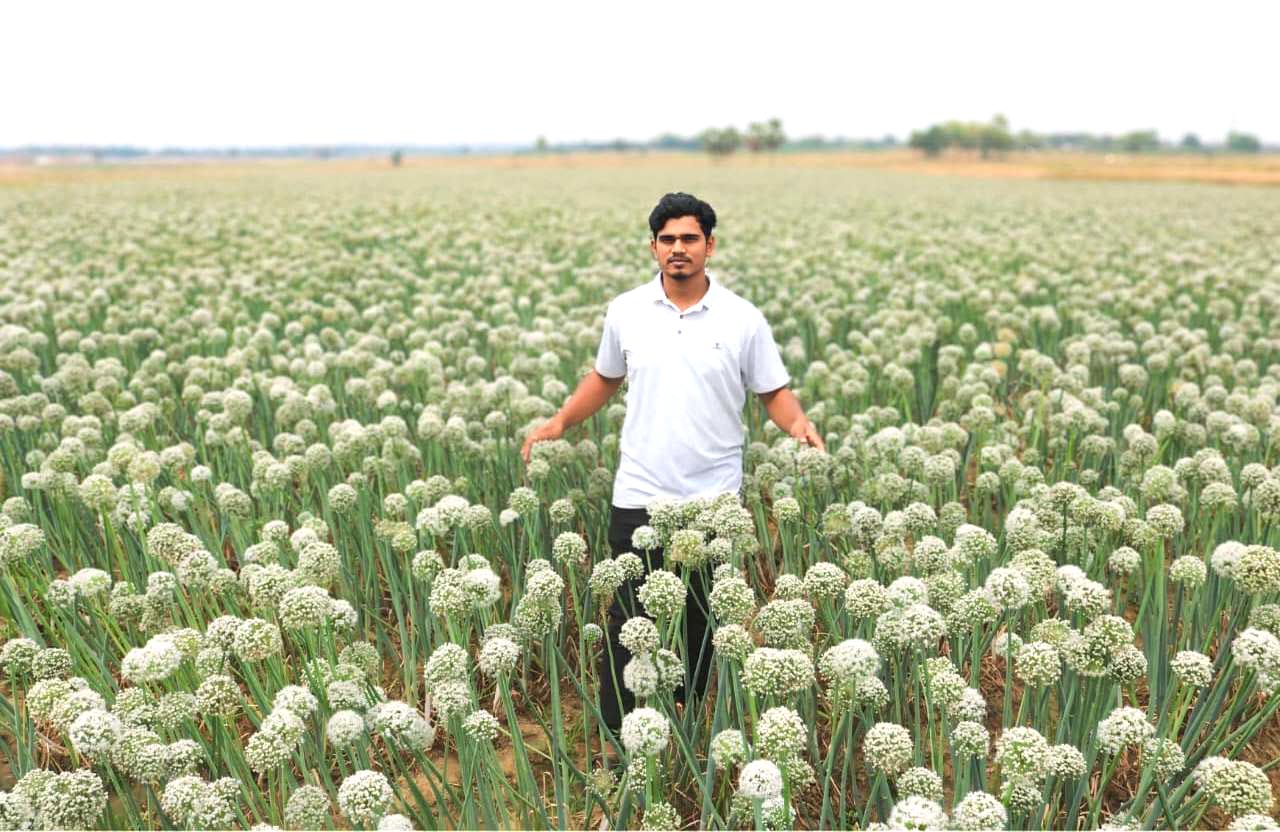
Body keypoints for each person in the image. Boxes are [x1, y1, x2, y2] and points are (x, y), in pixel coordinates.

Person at [520, 192, 824, 744]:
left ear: (709, 244)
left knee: (700, 625)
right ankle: (619, 740)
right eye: (667, 240)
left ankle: (682, 731)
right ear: (653, 247)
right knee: (629, 623)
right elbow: (605, 378)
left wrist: (797, 424)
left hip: (713, 498)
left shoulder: (741, 319)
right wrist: (560, 421)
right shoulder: (626, 310)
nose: (678, 249)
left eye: (689, 239)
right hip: (639, 490)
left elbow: (772, 391)